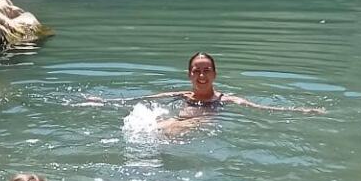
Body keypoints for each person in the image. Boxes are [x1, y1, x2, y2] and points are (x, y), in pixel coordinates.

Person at [108, 52, 326, 117]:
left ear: (214, 74)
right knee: (163, 128)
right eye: (197, 71)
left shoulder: (226, 100)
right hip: (180, 121)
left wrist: (302, 110)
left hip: (203, 123)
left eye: (206, 70)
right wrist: (105, 101)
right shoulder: (182, 95)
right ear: (189, 75)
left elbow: (262, 108)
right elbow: (141, 99)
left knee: (169, 129)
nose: (201, 75)